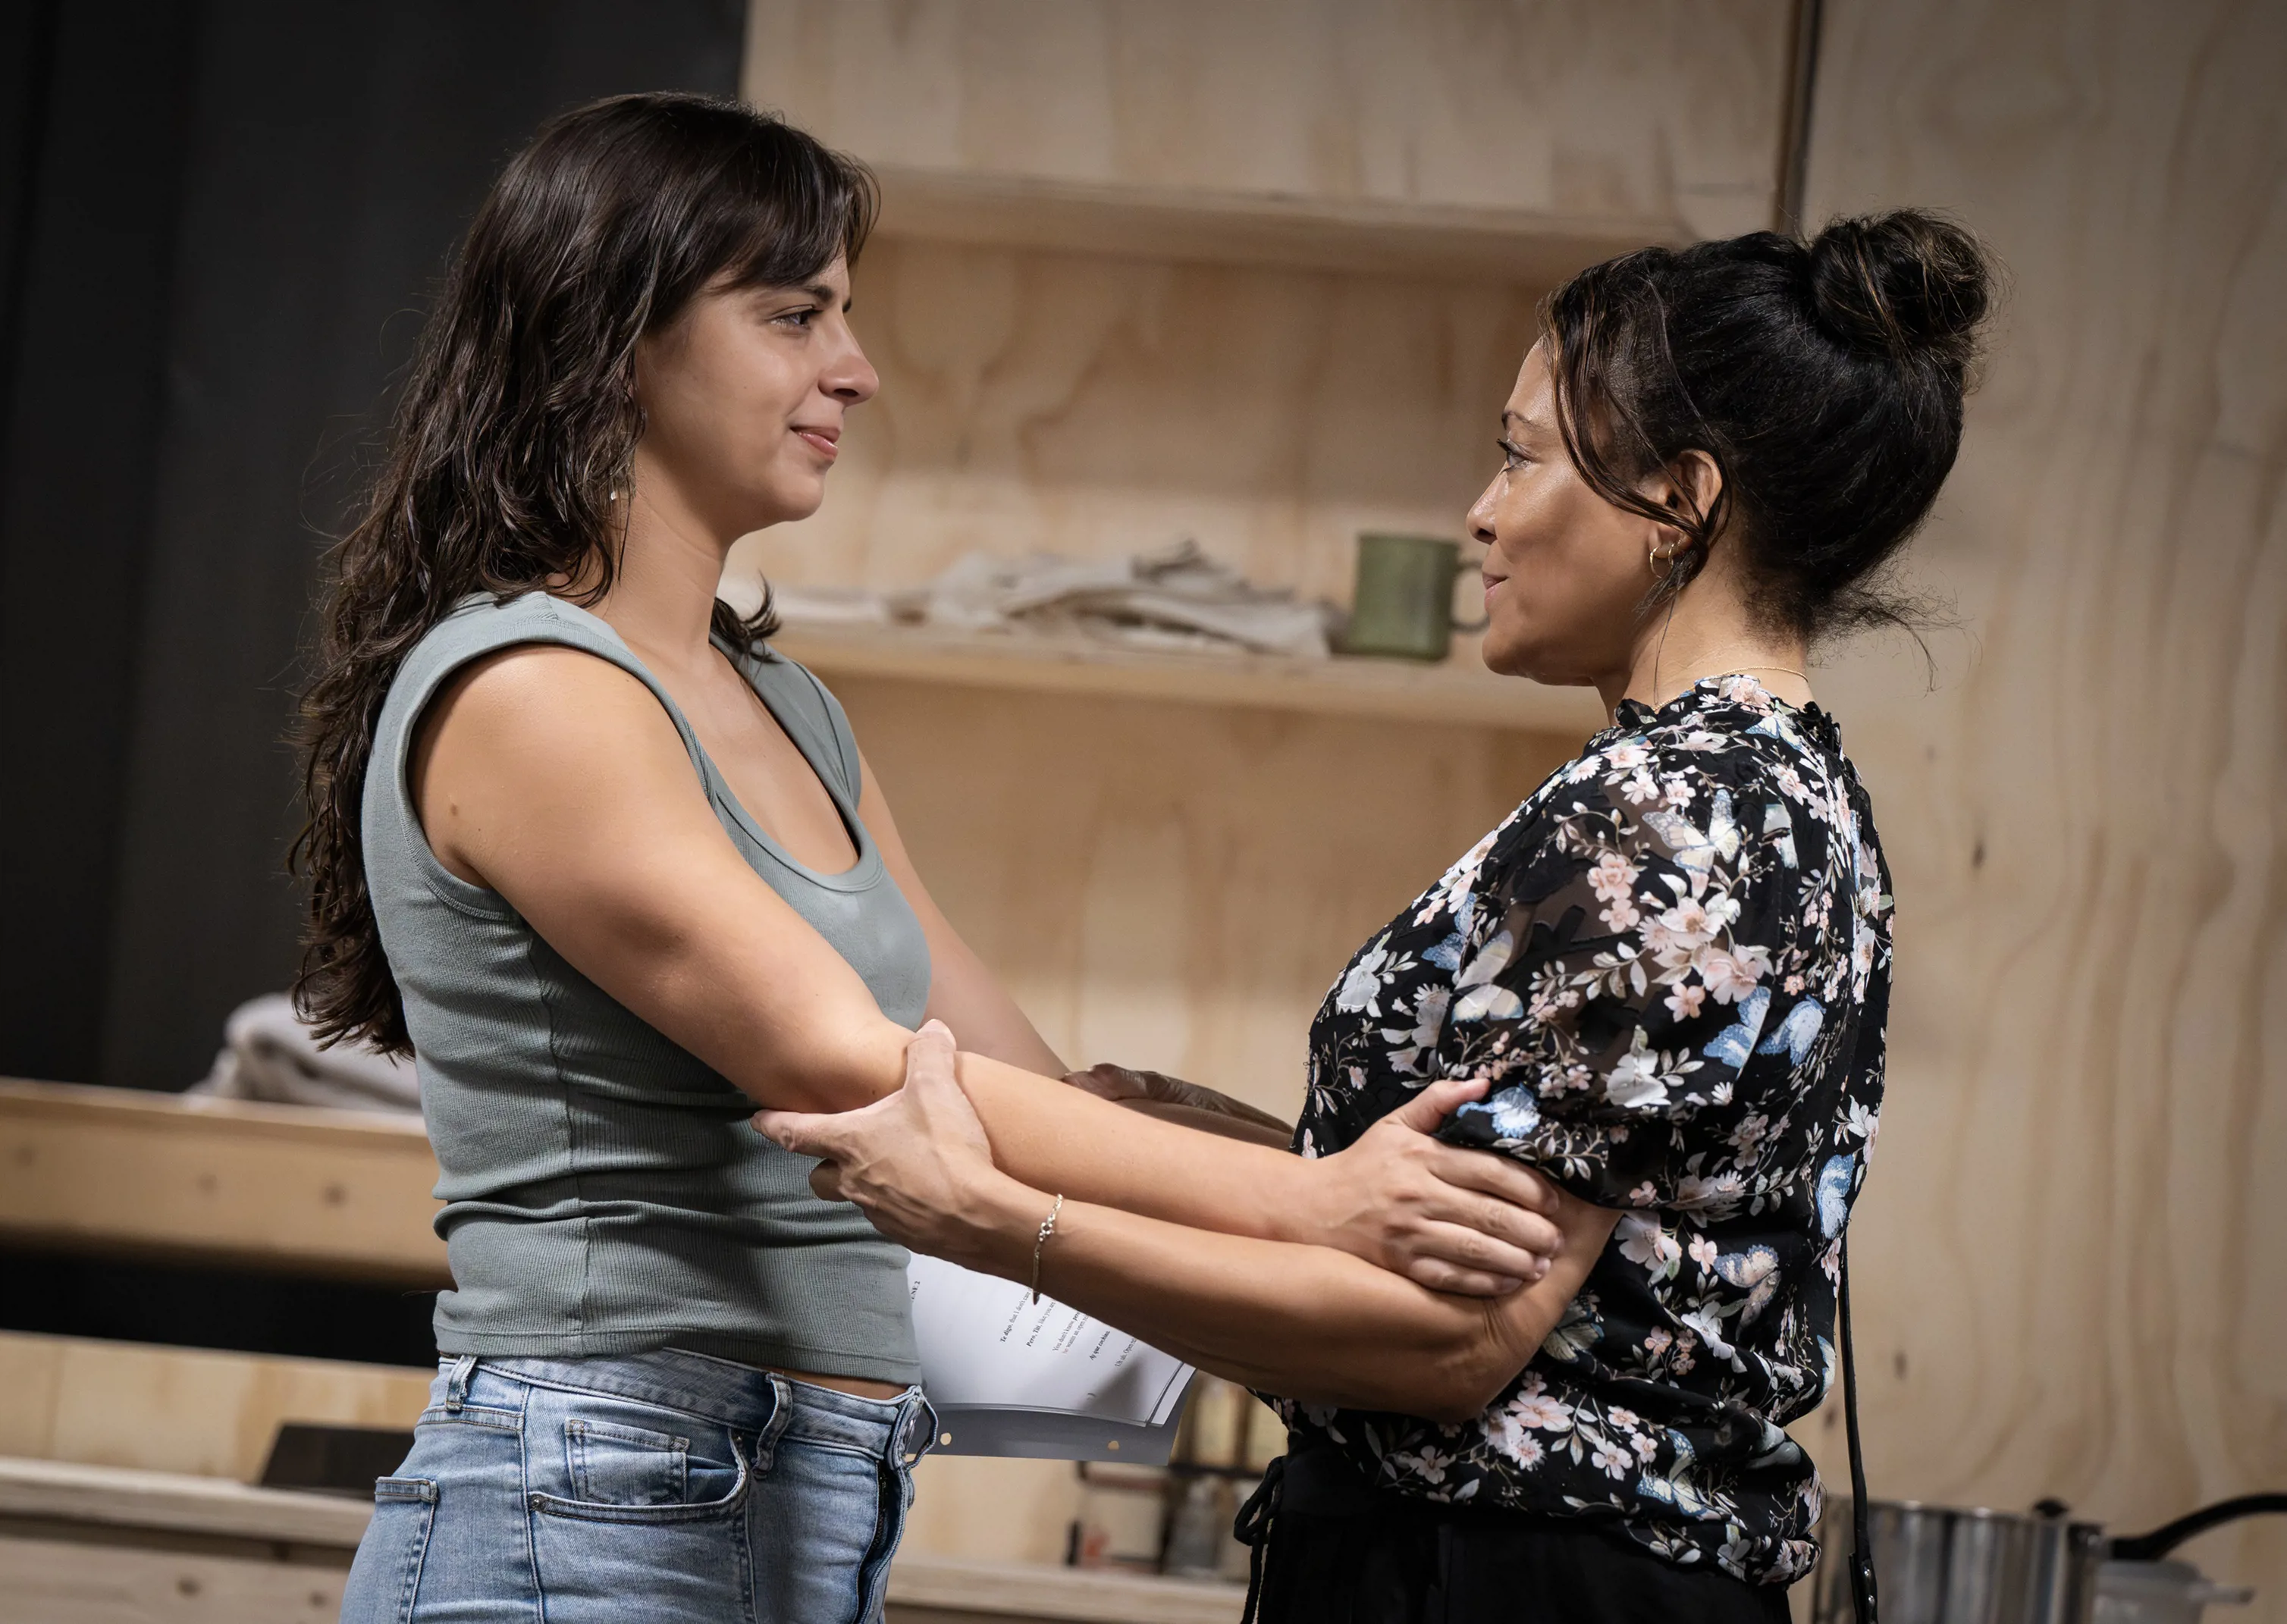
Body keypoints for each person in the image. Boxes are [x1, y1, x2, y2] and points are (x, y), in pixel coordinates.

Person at [299, 93, 1567, 1624]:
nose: (857, 368)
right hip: (590, 1485)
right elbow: (862, 1067)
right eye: (794, 317)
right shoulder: (529, 692)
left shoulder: (787, 709)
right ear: (614, 338)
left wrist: (1378, 1178)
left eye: (844, 316)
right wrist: (1319, 1212)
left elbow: (1016, 1074)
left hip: (802, 1486)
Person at [761, 212, 1997, 1623]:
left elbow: (1452, 1344)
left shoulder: (1667, 821)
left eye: (1523, 454)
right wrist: (1222, 1143)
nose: (1481, 508)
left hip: (1509, 1581)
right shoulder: (1777, 786)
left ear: (1680, 503)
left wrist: (994, 1219)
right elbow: (1547, 1224)